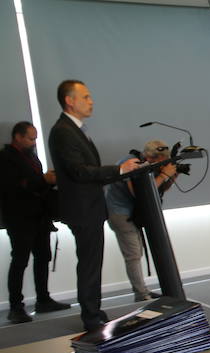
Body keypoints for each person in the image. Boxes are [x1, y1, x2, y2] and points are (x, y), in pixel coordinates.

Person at [48, 80, 139, 331]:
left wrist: (119, 172)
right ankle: (91, 316)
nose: (91, 101)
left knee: (91, 263)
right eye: (86, 97)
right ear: (70, 100)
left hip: (89, 208)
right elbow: (79, 171)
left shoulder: (75, 129)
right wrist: (119, 169)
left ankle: (94, 312)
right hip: (82, 209)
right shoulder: (64, 131)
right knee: (89, 264)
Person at [0, 122, 70, 323]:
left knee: (43, 257)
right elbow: (13, 187)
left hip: (40, 216)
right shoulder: (5, 158)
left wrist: (49, 181)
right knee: (20, 260)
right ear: (18, 137)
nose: (34, 142)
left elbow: (34, 181)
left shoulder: (31, 156)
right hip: (19, 218)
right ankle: (16, 307)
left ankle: (43, 299)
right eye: (31, 138)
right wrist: (44, 180)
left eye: (35, 138)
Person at [104, 139, 176, 302]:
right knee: (133, 254)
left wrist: (171, 176)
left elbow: (159, 190)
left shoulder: (145, 163)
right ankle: (141, 294)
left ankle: (142, 291)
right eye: (159, 162)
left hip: (130, 213)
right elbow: (140, 193)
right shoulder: (132, 163)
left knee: (136, 253)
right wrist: (164, 175)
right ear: (151, 158)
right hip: (120, 213)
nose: (160, 166)